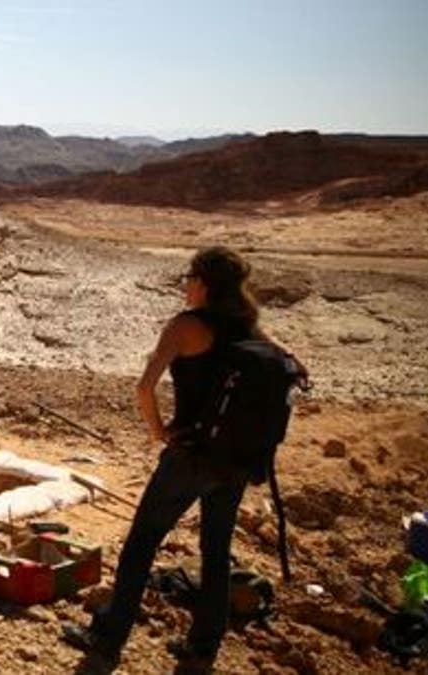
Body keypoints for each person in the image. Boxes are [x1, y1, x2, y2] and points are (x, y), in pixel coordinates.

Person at [61, 247, 307, 674]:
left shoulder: (186, 325)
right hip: (234, 463)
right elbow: (294, 367)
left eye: (190, 278)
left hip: (189, 457)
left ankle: (107, 642)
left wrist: (161, 434)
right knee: (216, 551)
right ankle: (202, 651)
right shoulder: (249, 328)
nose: (185, 285)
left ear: (204, 284)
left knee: (142, 543)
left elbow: (144, 387)